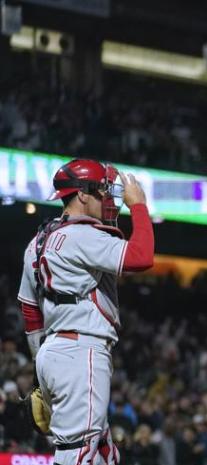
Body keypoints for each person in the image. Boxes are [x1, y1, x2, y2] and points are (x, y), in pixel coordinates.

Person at [16, 159, 154, 465]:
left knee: (104, 453)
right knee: (80, 450)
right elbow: (140, 257)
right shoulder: (83, 235)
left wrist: (42, 364)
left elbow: (30, 310)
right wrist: (139, 207)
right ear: (81, 194)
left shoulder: (36, 242)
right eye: (102, 190)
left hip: (54, 350)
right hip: (81, 351)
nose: (108, 198)